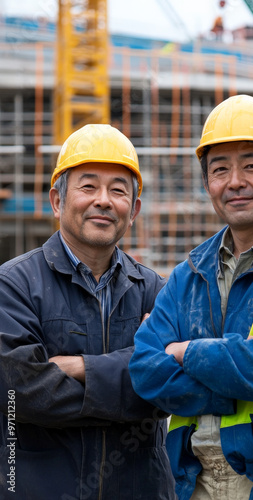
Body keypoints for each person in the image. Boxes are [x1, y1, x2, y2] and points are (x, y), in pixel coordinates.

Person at [129, 94, 253, 500]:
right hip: (196, 480)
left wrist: (186, 352)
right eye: (220, 169)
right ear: (208, 184)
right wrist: (243, 376)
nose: (235, 181)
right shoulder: (190, 273)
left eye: (252, 165)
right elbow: (146, 371)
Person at [0, 123, 175, 500]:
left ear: (134, 210)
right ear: (57, 200)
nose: (103, 200)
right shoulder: (12, 285)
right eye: (88, 186)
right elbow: (19, 394)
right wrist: (132, 376)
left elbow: (171, 386)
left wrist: (80, 368)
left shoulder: (156, 291)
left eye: (118, 190)